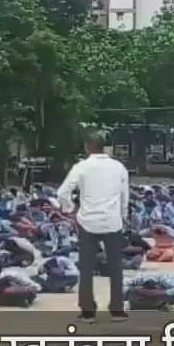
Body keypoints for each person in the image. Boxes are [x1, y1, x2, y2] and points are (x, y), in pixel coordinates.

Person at [56, 131, 130, 323]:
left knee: (87, 268)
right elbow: (124, 196)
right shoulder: (118, 167)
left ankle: (88, 311)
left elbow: (63, 191)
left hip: (87, 222)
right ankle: (117, 310)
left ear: (87, 147)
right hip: (113, 221)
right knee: (116, 267)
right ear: (104, 147)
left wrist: (70, 209)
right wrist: (122, 216)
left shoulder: (82, 166)